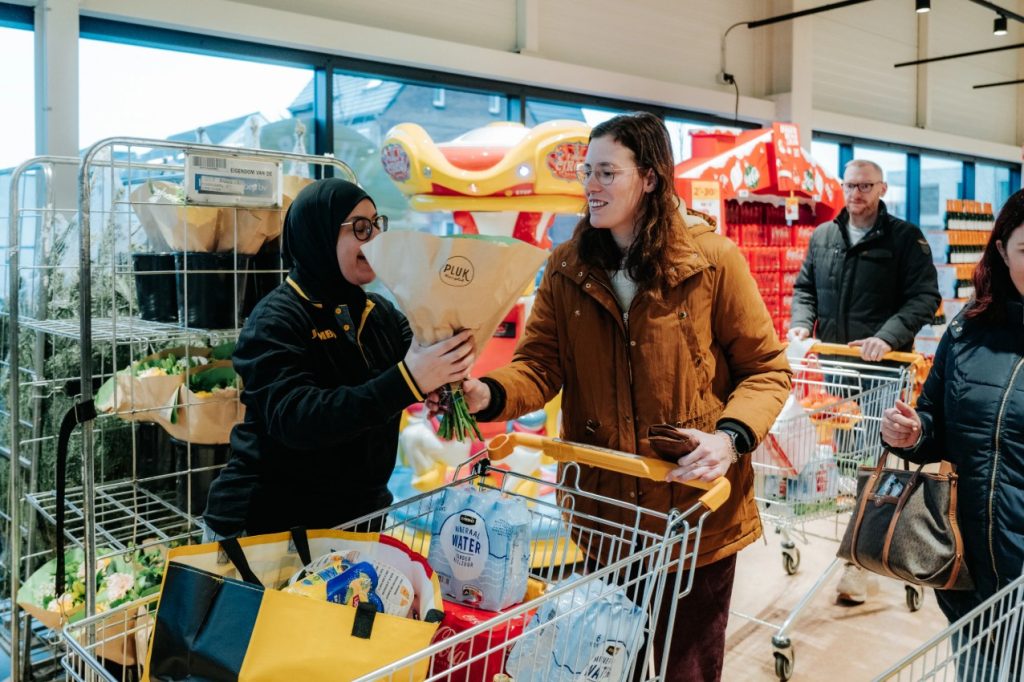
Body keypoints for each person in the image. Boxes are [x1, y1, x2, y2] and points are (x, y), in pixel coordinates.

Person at [451, 112, 792, 682]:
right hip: (607, 515)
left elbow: (766, 369)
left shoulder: (712, 261)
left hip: (694, 517)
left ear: (650, 177)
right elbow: (539, 366)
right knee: (608, 666)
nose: (591, 185)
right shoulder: (567, 268)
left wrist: (728, 439)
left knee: (686, 671)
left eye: (607, 172)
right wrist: (487, 393)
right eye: (587, 172)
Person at [203, 178, 474, 539]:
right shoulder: (275, 319)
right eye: (360, 228)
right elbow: (297, 419)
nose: (375, 238)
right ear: (319, 234)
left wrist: (446, 375)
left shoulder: (381, 313)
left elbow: (422, 355)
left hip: (356, 522)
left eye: (376, 224)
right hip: (266, 528)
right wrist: (409, 381)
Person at [881, 189, 1024, 679]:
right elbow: (935, 421)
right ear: (1002, 251)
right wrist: (912, 433)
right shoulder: (968, 330)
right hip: (970, 577)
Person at [788, 159, 941, 604]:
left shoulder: (904, 239)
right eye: (850, 185)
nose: (856, 194)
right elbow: (805, 289)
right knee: (846, 459)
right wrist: (801, 322)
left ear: (882, 188)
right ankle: (859, 545)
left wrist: (886, 337)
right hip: (836, 368)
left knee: (872, 463)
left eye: (865, 186)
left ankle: (859, 561)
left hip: (883, 373)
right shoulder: (825, 236)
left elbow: (925, 296)